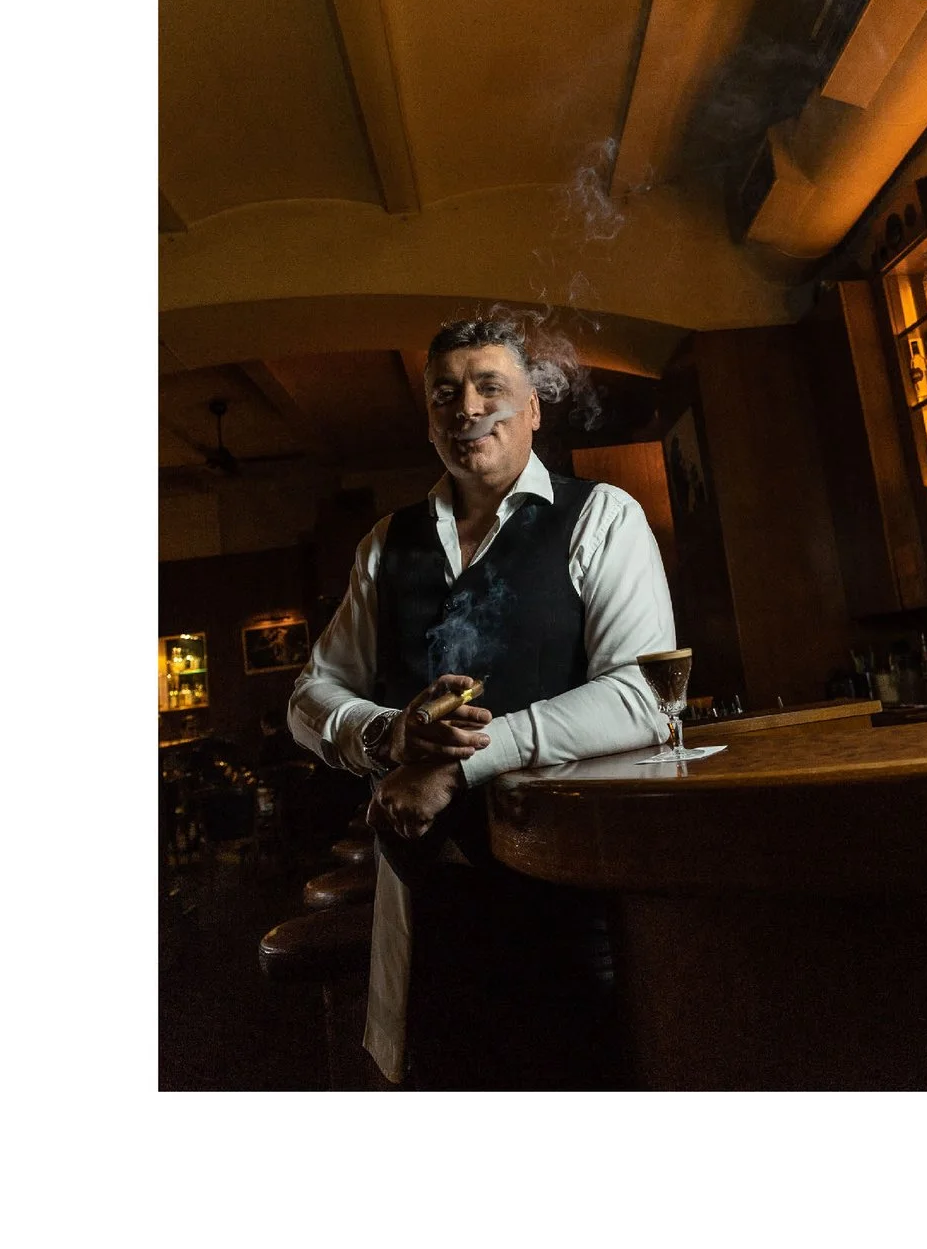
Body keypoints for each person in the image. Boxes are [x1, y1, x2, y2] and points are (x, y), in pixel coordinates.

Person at [287, 315, 675, 1088]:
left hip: (571, 903)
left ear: (532, 406)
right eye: (445, 394)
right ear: (430, 420)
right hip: (426, 906)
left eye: (489, 387)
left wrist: (461, 766)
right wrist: (387, 733)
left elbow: (644, 698)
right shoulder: (385, 544)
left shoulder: (601, 517)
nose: (467, 407)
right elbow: (308, 695)